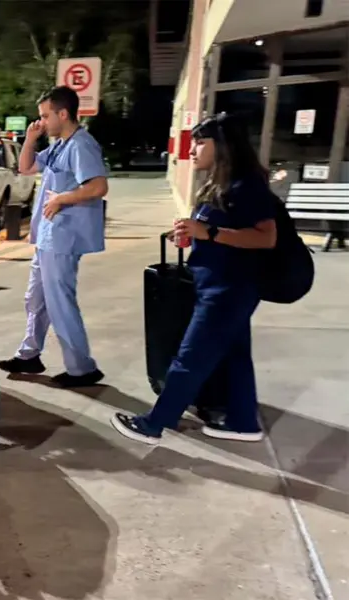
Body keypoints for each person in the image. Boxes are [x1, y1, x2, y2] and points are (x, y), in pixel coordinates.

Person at [111, 113, 277, 445]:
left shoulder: (247, 186)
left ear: (225, 146)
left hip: (229, 288)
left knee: (189, 358)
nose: (192, 150)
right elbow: (217, 231)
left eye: (201, 142)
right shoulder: (219, 183)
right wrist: (192, 235)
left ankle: (155, 423)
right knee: (235, 355)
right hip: (216, 284)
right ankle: (244, 423)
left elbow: (266, 237)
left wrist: (209, 231)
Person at [0, 86, 108, 388]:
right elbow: (25, 168)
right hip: (49, 236)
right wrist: (31, 139)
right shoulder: (60, 144)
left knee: (60, 302)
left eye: (45, 116)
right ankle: (29, 354)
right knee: (37, 299)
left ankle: (82, 368)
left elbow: (98, 187)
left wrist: (62, 199)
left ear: (63, 113)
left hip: (63, 238)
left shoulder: (81, 145)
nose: (42, 121)